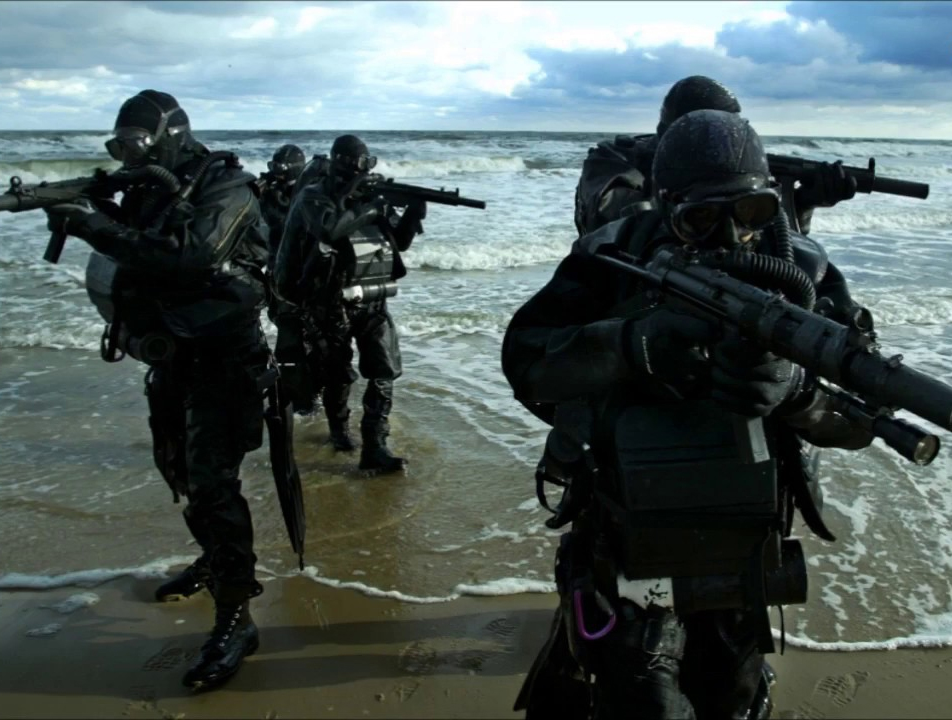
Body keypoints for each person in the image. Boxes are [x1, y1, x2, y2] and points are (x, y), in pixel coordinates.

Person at [502, 109, 875, 719]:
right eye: (701, 218)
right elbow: (527, 361)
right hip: (627, 533)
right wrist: (631, 345)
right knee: (637, 698)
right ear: (666, 205)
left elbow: (866, 414)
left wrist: (797, 391)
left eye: (750, 212)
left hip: (739, 544)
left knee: (732, 696)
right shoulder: (613, 258)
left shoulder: (803, 270)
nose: (730, 235)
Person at [43, 89, 296, 692]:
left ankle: (236, 615)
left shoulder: (227, 186)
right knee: (178, 470)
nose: (127, 156)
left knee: (213, 484)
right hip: (172, 355)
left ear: (170, 137)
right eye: (118, 146)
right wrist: (86, 209)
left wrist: (94, 227)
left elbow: (193, 254)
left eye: (136, 144)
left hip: (223, 360)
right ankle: (214, 557)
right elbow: (136, 249)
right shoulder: (151, 190)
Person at [273, 133, 426, 474]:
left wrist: (413, 214)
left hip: (370, 295)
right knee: (338, 372)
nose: (362, 171)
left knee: (384, 368)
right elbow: (329, 229)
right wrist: (370, 207)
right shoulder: (314, 196)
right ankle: (340, 432)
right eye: (357, 164)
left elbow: (398, 242)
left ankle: (376, 445)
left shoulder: (369, 196)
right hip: (327, 299)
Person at [573, 75, 857, 238]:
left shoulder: (730, 167)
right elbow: (624, 224)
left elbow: (766, 247)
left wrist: (801, 204)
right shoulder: (613, 161)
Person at [257, 143, 322, 415]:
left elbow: (287, 222)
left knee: (299, 343)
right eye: (273, 166)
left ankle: (306, 400)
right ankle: (302, 398)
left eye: (280, 167)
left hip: (300, 279)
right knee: (293, 340)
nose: (276, 172)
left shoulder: (309, 195)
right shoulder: (269, 194)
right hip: (279, 278)